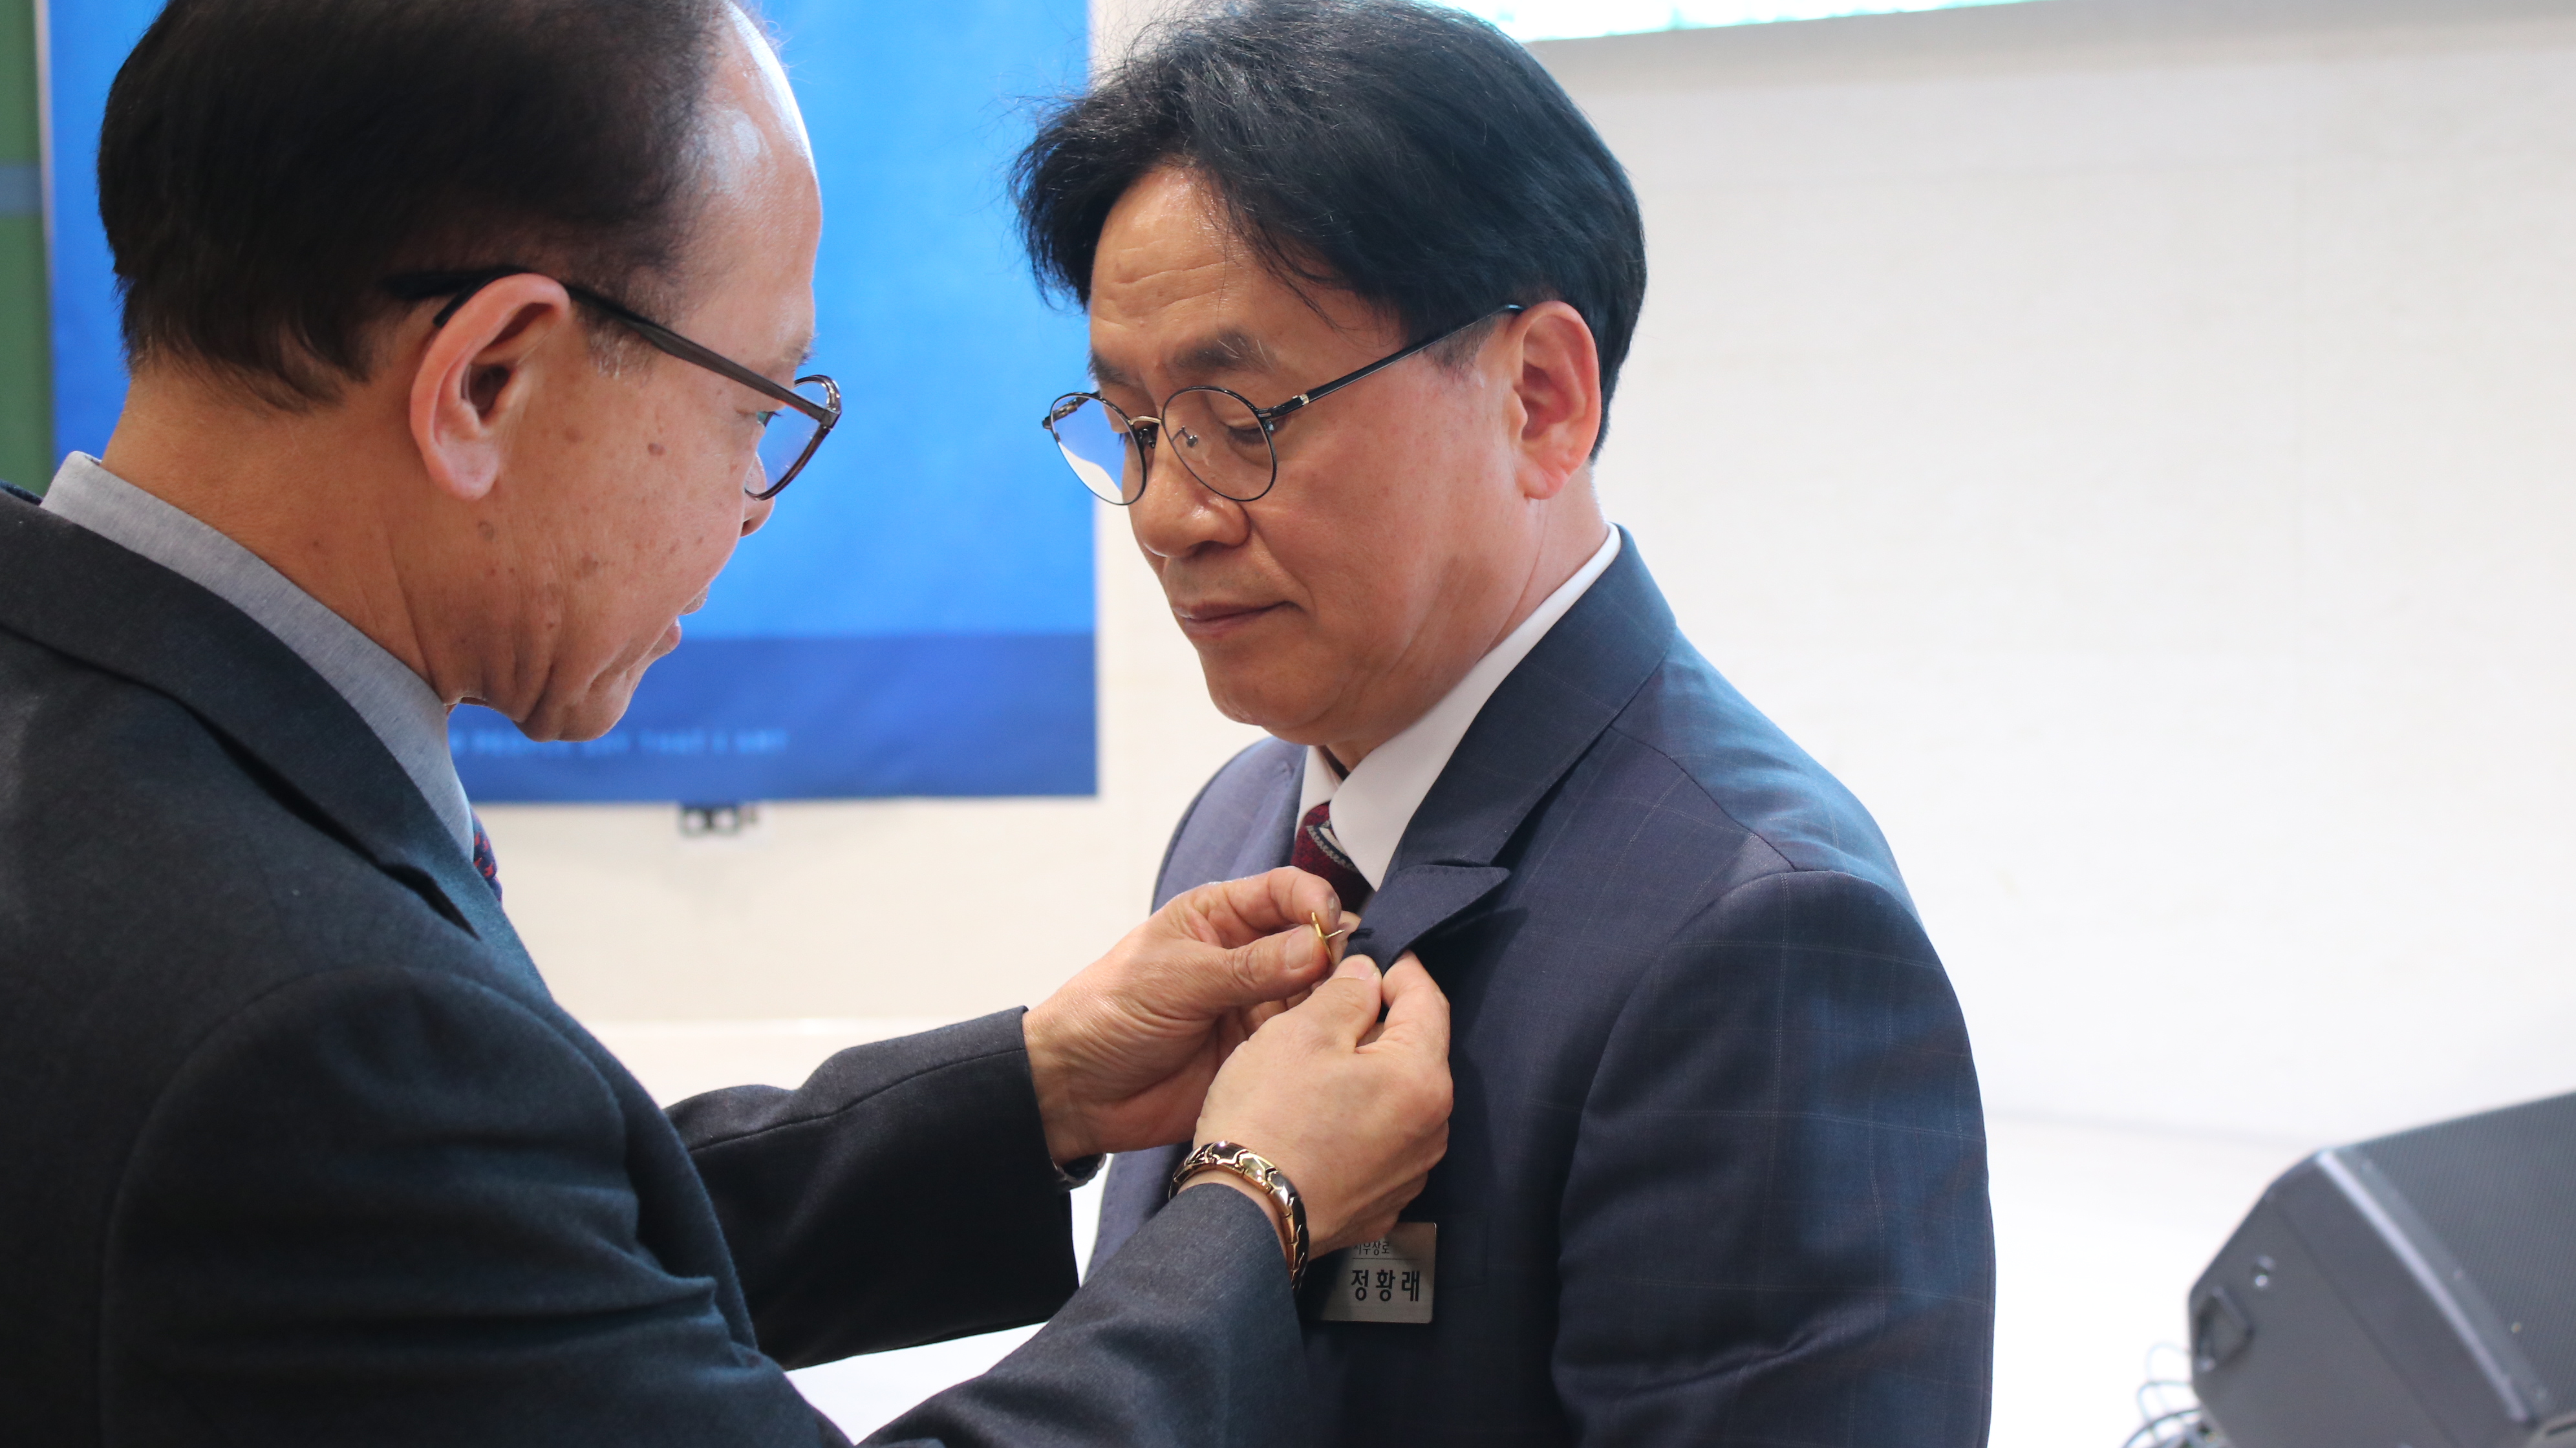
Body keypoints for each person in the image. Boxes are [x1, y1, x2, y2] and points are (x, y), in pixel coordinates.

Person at [0, 2, 1452, 1445]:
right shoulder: (309, 1021)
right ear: (489, 380)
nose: (751, 506)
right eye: (752, 410)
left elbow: (482, 1271)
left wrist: (1040, 1086)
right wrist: (1256, 1201)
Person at [1018, 1, 1996, 1441]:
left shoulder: (1760, 931)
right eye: (1136, 430)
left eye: (1242, 417)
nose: (1169, 515)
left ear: (1539, 398)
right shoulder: (1241, 818)